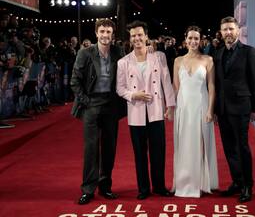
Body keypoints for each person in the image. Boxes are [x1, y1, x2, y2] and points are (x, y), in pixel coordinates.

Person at [116, 20, 175, 200]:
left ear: (146, 36)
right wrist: (134, 95)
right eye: (133, 35)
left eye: (140, 34)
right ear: (130, 38)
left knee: (159, 151)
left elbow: (166, 82)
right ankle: (143, 188)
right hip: (136, 113)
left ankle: (159, 186)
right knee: (140, 153)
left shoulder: (159, 56)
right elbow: (120, 88)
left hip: (156, 110)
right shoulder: (123, 62)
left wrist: (170, 106)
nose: (137, 38)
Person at [70, 18, 126, 205]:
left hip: (111, 106)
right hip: (91, 106)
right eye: (102, 31)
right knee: (91, 149)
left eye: (108, 32)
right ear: (96, 33)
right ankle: (88, 189)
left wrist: (150, 48)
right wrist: (86, 102)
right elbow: (75, 81)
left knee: (109, 148)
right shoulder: (85, 53)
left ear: (112, 34)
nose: (105, 35)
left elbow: (132, 66)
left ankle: (105, 186)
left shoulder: (119, 51)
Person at [213, 16, 255, 203]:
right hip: (223, 109)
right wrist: (216, 109)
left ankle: (248, 185)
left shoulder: (249, 52)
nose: (228, 33)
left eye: (231, 29)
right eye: (225, 29)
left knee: (242, 147)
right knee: (228, 148)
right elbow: (217, 82)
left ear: (238, 31)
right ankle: (237, 182)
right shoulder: (218, 53)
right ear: (221, 32)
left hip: (241, 107)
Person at [172, 26, 218, 198]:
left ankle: (200, 182)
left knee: (200, 144)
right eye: (190, 38)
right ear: (185, 39)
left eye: (196, 39)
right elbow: (175, 87)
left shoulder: (208, 60)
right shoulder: (177, 61)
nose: (193, 41)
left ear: (200, 40)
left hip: (201, 105)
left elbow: (212, 86)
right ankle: (184, 182)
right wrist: (171, 109)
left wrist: (210, 110)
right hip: (183, 107)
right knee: (184, 144)